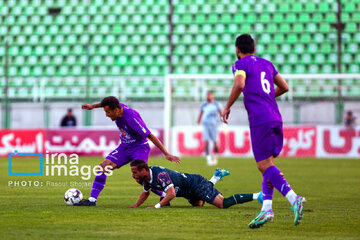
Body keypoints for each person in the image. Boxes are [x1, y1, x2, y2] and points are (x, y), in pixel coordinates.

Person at [221, 34, 306, 228]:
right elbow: (284, 87)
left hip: (260, 120)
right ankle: (266, 208)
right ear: (254, 48)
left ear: (237, 49)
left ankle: (294, 199)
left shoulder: (240, 64)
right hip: (275, 116)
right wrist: (267, 96)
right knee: (268, 164)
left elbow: (239, 83)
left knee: (262, 165)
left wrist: (227, 106)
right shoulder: (267, 64)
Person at [75, 96, 180, 206]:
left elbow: (150, 135)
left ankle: (163, 195)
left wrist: (166, 154)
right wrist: (93, 106)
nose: (106, 115)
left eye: (108, 112)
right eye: (105, 111)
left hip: (139, 148)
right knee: (102, 168)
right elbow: (106, 103)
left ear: (116, 110)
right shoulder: (117, 106)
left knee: (141, 176)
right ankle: (92, 200)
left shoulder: (131, 119)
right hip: (124, 147)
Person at [128, 159, 263, 209]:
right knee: (198, 205)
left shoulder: (159, 174)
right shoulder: (146, 179)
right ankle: (215, 177)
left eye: (135, 172)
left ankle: (258, 196)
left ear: (144, 170)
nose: (133, 175)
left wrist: (157, 206)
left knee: (223, 204)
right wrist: (135, 205)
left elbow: (171, 194)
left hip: (196, 184)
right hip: (188, 192)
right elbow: (145, 193)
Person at [197, 91, 222, 166]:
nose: (208, 96)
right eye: (207, 95)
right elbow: (201, 114)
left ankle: (215, 158)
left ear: (213, 96)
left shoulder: (217, 104)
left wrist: (223, 123)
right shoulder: (204, 105)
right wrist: (198, 123)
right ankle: (208, 159)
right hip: (205, 125)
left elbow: (221, 113)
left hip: (214, 125)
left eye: (210, 95)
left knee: (215, 141)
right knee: (206, 141)